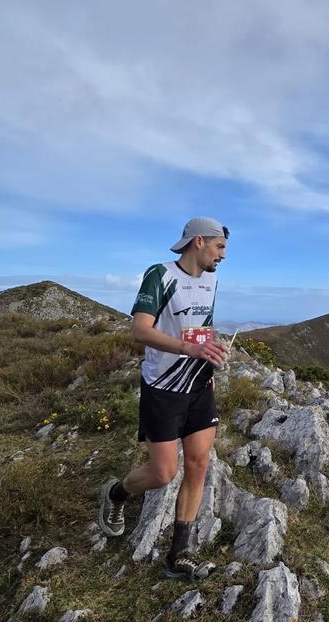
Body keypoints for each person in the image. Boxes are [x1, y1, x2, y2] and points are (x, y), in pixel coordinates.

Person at [97, 216, 230, 580]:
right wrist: (188, 349)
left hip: (199, 383)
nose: (222, 256)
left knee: (199, 463)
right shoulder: (160, 275)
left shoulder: (212, 281)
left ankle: (179, 553)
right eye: (219, 247)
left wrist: (209, 352)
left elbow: (201, 328)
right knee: (163, 472)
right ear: (199, 242)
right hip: (163, 388)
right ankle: (116, 494)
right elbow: (140, 330)